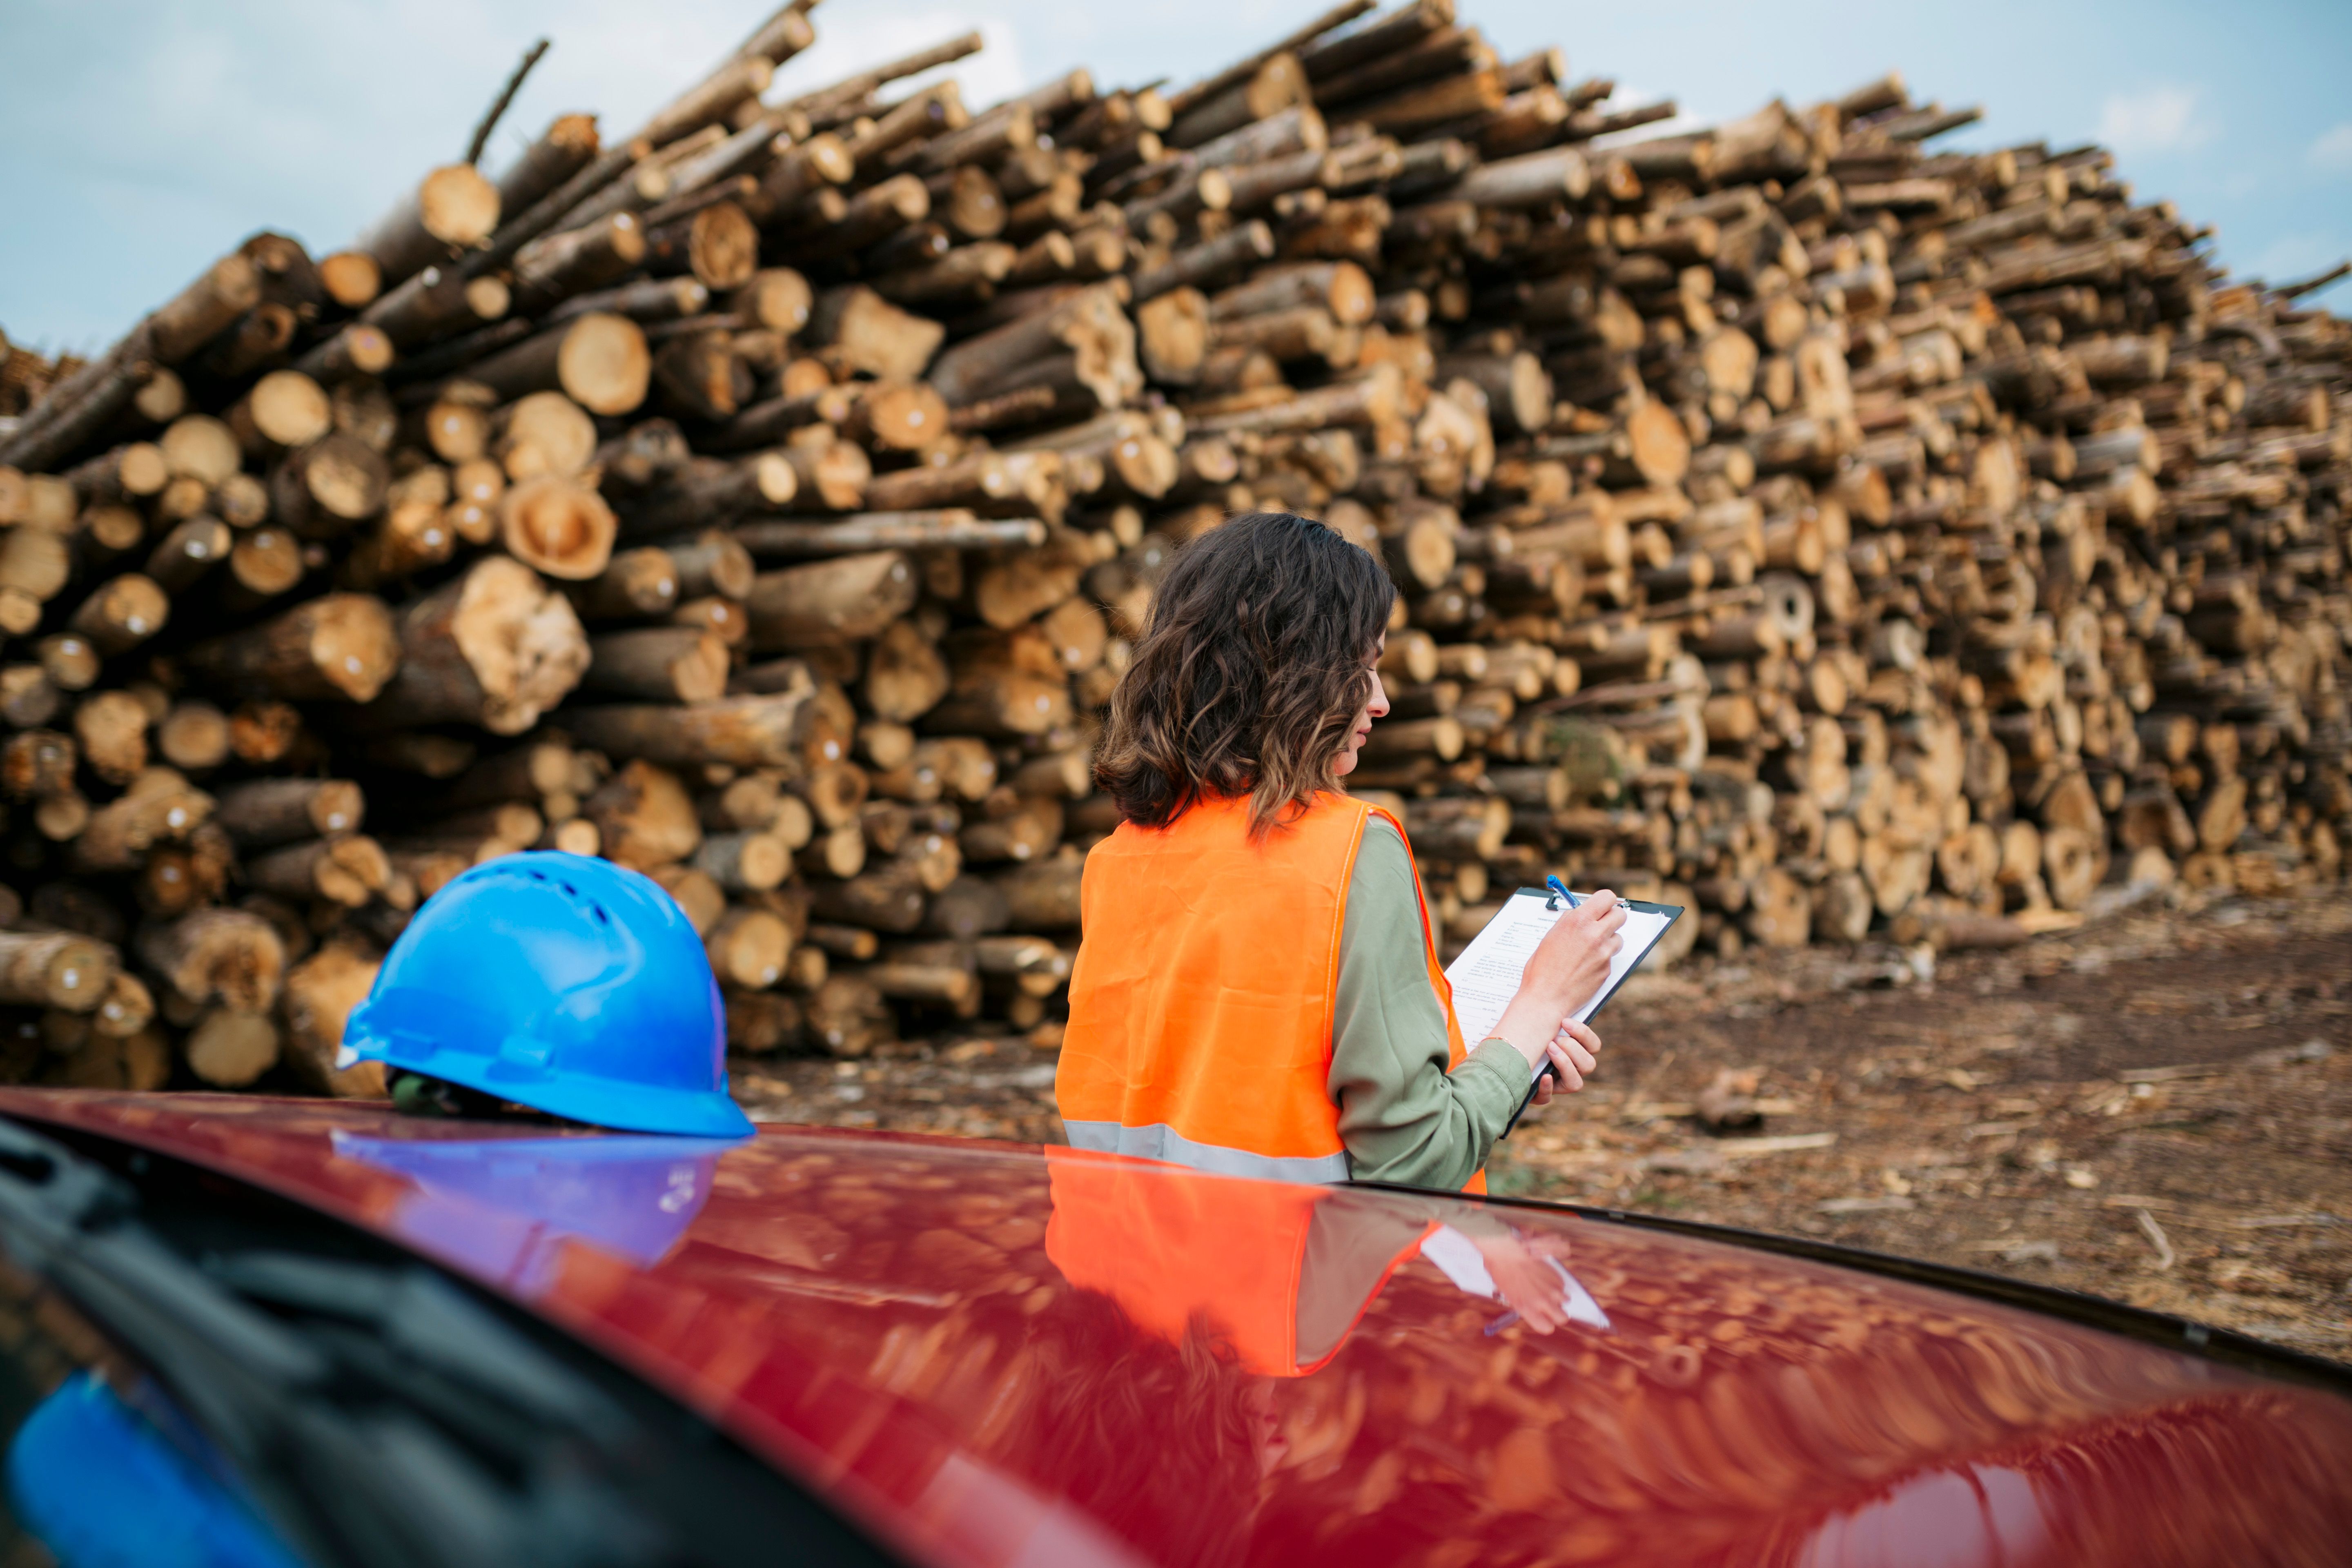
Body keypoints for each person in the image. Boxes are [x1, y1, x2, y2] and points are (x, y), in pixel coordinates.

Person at [1059, 511, 1628, 1191]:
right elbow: (1417, 1161)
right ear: (1293, 672)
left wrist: (1500, 1070)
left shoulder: (1120, 857)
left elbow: (1225, 1086)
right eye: (1362, 667)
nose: (1381, 701)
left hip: (1117, 1279)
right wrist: (1541, 1002)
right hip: (1289, 1286)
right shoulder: (1350, 851)